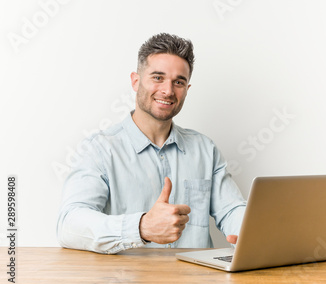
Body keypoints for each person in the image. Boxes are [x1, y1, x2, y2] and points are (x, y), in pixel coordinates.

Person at [56, 33, 247, 254]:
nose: (168, 90)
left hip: (195, 283)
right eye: (158, 77)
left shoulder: (205, 149)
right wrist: (141, 227)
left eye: (178, 82)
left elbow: (231, 209)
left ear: (187, 89)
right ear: (135, 81)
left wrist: (252, 233)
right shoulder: (100, 150)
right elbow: (69, 224)